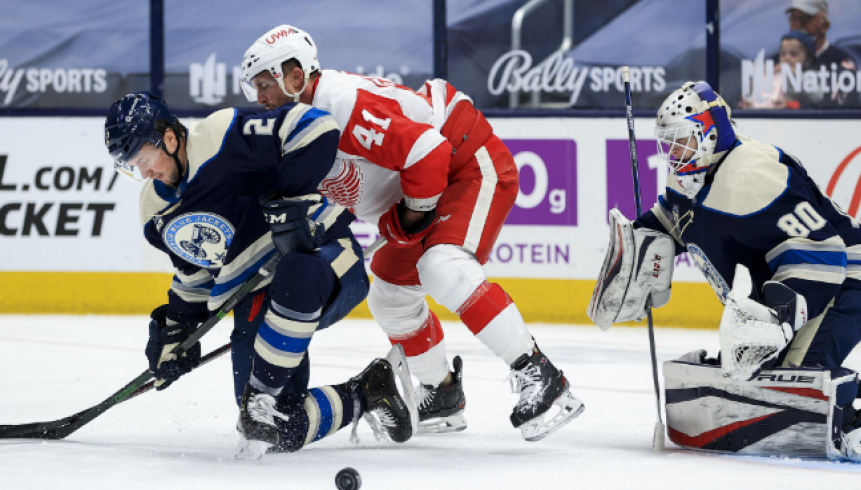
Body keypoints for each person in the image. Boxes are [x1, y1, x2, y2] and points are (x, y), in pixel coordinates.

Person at [238, 25, 584, 441]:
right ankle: (442, 394)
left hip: (465, 162)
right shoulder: (298, 127)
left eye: (263, 85)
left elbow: (428, 152)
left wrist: (412, 215)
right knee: (390, 299)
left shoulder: (341, 106)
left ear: (295, 77)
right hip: (420, 188)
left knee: (442, 265)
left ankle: (540, 373)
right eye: (252, 88)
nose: (258, 99)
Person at [103, 92, 412, 456]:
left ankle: (260, 396)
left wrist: (291, 199)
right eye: (133, 166)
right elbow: (196, 276)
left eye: (144, 159)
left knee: (297, 274)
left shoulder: (221, 136)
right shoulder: (156, 210)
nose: (143, 172)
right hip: (257, 294)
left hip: (324, 258)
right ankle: (369, 391)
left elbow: (317, 127)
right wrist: (176, 334)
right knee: (275, 427)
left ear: (169, 139)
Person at [618, 80, 861, 461]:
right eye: (668, 143)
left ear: (710, 133)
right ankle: (822, 384)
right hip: (789, 289)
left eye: (682, 140)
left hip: (843, 283)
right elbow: (670, 220)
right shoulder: (691, 176)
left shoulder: (749, 175)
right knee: (753, 381)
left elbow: (820, 253)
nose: (673, 153)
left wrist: (776, 319)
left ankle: (850, 418)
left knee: (787, 389)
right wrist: (638, 247)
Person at [785, 0, 857, 105]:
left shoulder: (841, 62)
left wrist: (792, 104)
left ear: (825, 26)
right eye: (794, 18)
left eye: (806, 19)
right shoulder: (778, 61)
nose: (798, 25)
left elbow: (835, 107)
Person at [739, 31, 822, 110]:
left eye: (793, 54)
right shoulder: (774, 75)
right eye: (783, 54)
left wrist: (795, 75)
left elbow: (817, 97)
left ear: (808, 60)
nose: (787, 58)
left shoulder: (809, 76)